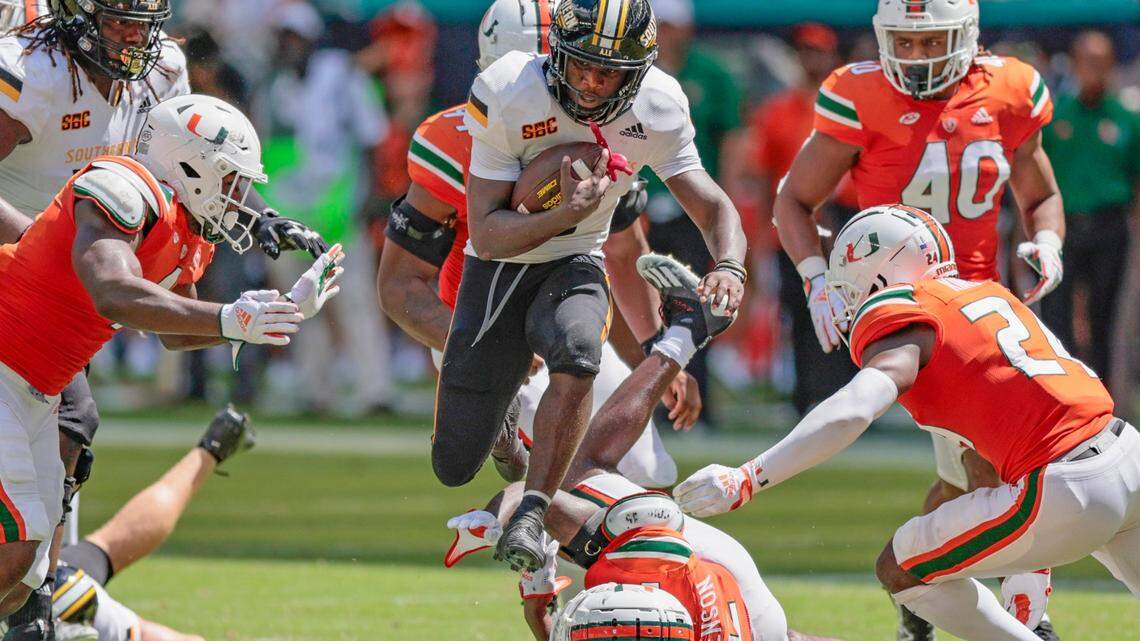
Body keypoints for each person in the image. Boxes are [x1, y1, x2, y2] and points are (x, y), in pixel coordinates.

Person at [0, 4, 326, 635]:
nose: (134, 37)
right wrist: (46, 244)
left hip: (69, 294)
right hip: (30, 283)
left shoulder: (172, 194)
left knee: (45, 506)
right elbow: (115, 286)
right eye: (118, 19)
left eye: (143, 21)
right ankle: (43, 607)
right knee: (24, 533)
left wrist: (265, 288)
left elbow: (196, 154)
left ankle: (42, 600)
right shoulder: (32, 74)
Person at [675, 205, 1140, 641]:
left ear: (875, 273)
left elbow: (855, 407)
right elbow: (1002, 464)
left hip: (1067, 483)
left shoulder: (905, 308)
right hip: (1126, 453)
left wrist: (748, 477)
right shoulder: (987, 295)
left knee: (900, 568)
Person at [771, 1, 1066, 636]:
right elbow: (793, 200)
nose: (915, 56)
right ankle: (1031, 620)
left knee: (965, 484)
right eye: (903, 42)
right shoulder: (859, 93)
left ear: (966, 36)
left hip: (986, 303)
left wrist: (1048, 243)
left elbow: (1040, 193)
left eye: (931, 41)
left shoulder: (1010, 88)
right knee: (1006, 467)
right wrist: (816, 278)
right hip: (912, 313)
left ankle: (914, 583)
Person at [442, 0, 747, 572]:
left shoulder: (656, 109)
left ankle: (536, 515)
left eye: (608, 72)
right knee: (454, 462)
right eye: (581, 64)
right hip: (495, 269)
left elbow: (696, 211)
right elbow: (485, 234)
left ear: (638, 72)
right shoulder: (505, 94)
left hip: (576, 259)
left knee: (581, 354)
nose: (589, 83)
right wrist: (564, 213)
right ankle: (509, 445)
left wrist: (729, 266)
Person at [377, 0, 696, 489]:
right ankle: (518, 512)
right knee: (565, 477)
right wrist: (479, 350)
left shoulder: (611, 132)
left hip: (566, 316)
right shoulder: (454, 141)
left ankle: (522, 519)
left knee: (649, 472)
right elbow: (400, 285)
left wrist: (652, 354)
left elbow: (620, 254)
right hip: (480, 323)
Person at [447, 254, 842, 641]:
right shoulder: (650, 571)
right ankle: (687, 330)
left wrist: (538, 599)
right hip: (698, 576)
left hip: (758, 625)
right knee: (576, 479)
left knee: (604, 489)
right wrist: (499, 515)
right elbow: (541, 499)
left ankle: (685, 331)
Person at [257, 0, 392, 415]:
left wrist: (369, 197)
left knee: (356, 300)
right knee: (299, 305)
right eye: (282, 37)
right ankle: (316, 391)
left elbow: (372, 136)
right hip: (291, 214)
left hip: (339, 210)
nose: (288, 45)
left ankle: (375, 391)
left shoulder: (343, 76)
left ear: (312, 39)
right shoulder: (273, 86)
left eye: (295, 37)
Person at [26, 406, 258, 641]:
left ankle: (214, 445)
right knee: (100, 552)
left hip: (35, 588)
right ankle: (217, 442)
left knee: (74, 579)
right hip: (43, 576)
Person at [640, 0, 743, 426]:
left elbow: (731, 142)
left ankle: (695, 399)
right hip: (636, 203)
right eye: (660, 26)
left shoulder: (710, 74)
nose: (666, 35)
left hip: (690, 204)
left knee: (699, 303)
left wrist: (727, 204)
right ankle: (641, 399)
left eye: (672, 26)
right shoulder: (632, 72)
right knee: (637, 301)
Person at [747, 23, 858, 415]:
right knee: (799, 310)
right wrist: (764, 234)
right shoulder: (777, 111)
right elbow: (765, 179)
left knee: (849, 310)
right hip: (794, 225)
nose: (812, 59)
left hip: (845, 223)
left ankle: (847, 395)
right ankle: (804, 396)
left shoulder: (849, 106)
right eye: (805, 52)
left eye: (819, 51)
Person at [1040, 31, 1140, 387]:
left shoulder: (1127, 118)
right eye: (1088, 62)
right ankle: (1062, 395)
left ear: (1112, 65)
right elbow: (1036, 182)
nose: (1094, 70)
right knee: (1056, 318)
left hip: (1109, 226)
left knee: (1104, 317)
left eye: (1102, 62)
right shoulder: (1054, 116)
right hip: (1062, 227)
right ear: (1075, 64)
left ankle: (1104, 398)